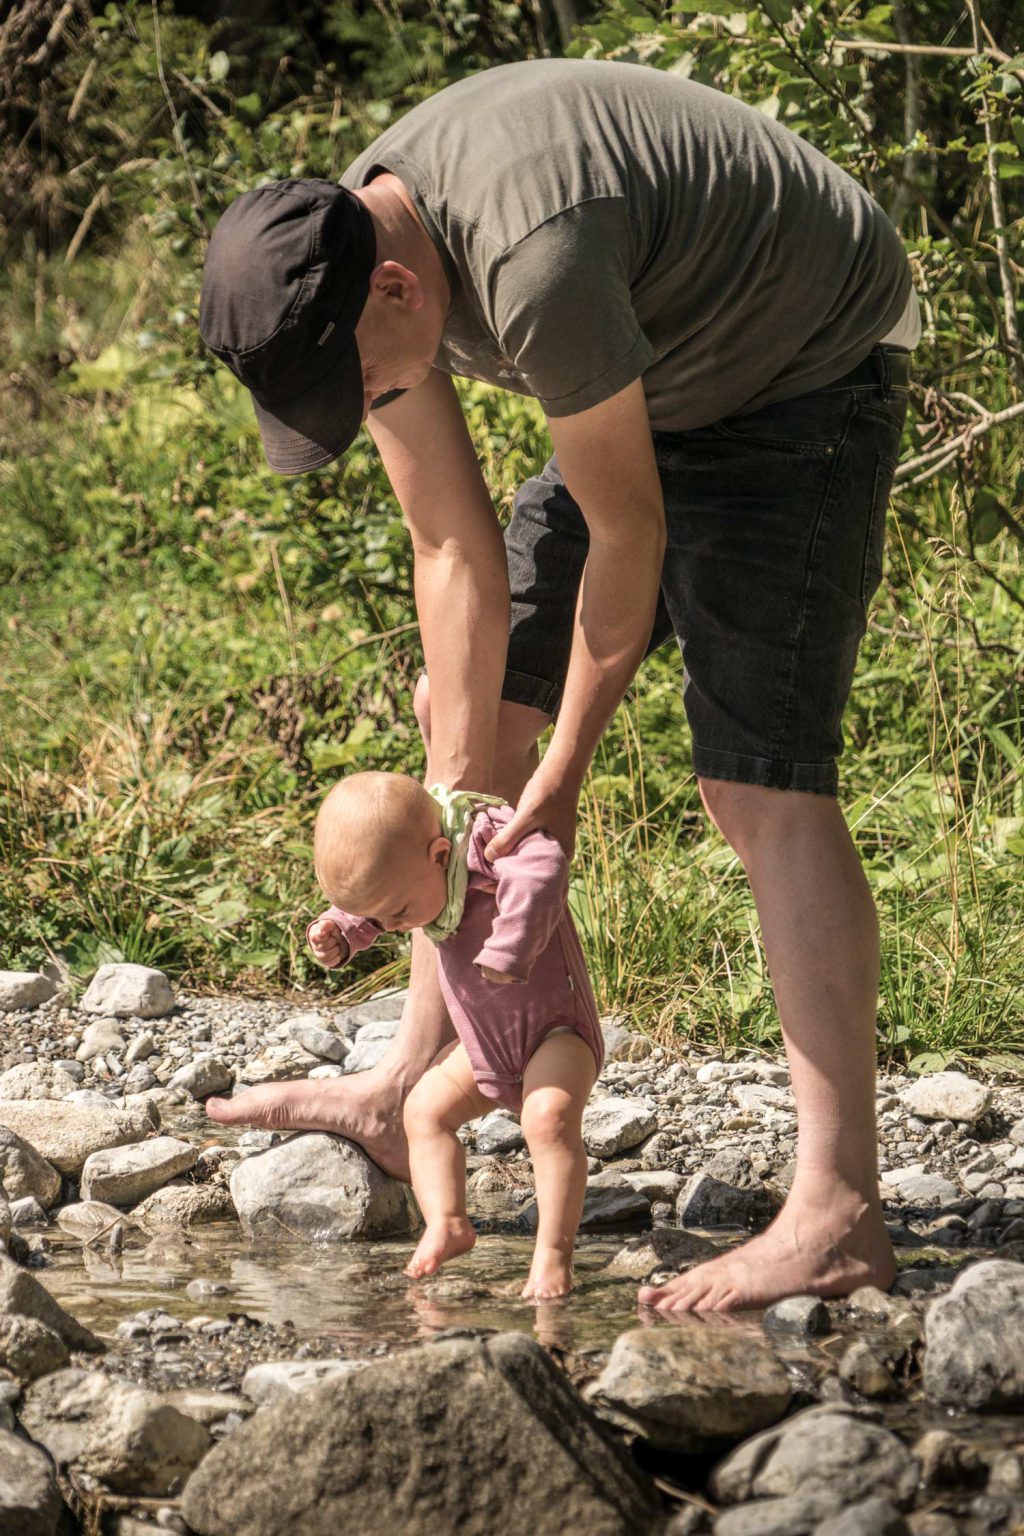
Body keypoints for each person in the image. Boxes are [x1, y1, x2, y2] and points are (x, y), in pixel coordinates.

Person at [199, 58, 919, 1312]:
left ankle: (839, 1211)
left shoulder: (533, 257)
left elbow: (625, 535)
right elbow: (448, 547)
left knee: (755, 786)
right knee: (469, 741)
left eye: (360, 388)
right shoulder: (345, 251)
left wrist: (562, 769)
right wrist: (464, 771)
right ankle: (405, 1089)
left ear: (399, 287)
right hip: (644, 367)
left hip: (796, 364)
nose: (363, 405)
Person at [307, 771, 604, 1298]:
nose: (393, 926)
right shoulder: (412, 873)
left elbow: (543, 868)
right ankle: (448, 1222)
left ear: (440, 854)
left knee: (548, 1119)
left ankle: (553, 1255)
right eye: (378, 918)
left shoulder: (486, 838)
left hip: (557, 1032)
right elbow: (379, 898)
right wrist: (342, 930)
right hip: (486, 1047)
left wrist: (512, 944)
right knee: (423, 1112)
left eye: (396, 913)